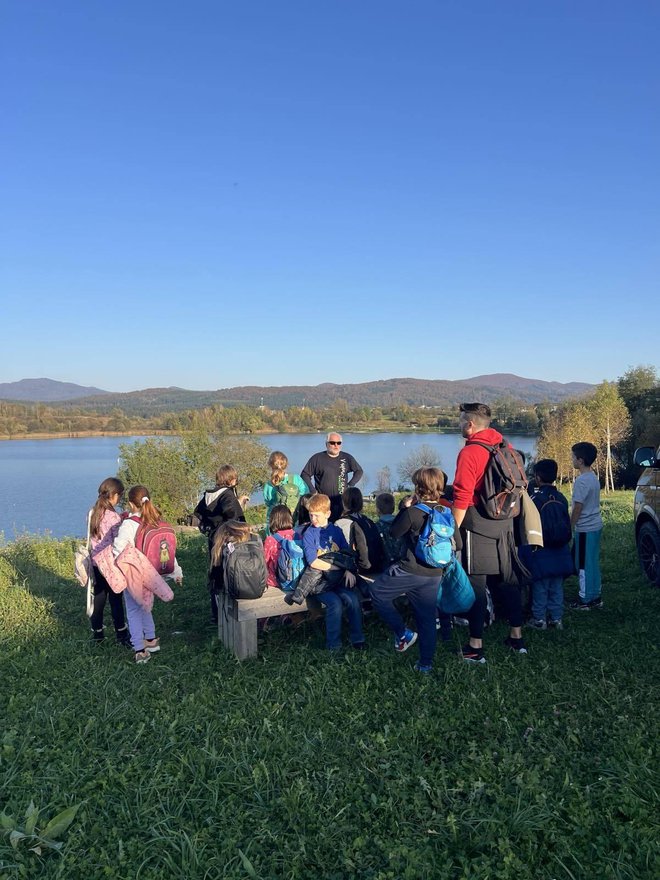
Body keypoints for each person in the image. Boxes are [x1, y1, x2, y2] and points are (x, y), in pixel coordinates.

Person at [452, 403, 529, 663]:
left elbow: (462, 496)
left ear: (470, 424)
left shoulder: (471, 452)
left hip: (478, 524)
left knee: (476, 585)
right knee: (508, 581)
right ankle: (516, 638)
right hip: (506, 522)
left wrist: (454, 533)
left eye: (461, 420)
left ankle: (475, 646)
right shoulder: (503, 445)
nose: (459, 424)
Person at [370, 467, 451, 674]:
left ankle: (403, 633)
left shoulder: (413, 512)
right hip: (433, 574)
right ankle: (425, 665)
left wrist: (406, 508)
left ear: (419, 488)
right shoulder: (445, 512)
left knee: (377, 592)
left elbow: (394, 532)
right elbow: (456, 541)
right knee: (426, 620)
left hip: (409, 570)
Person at [286, 493, 365, 651]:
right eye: (311, 515)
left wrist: (348, 570)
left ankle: (358, 639)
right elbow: (313, 562)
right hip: (319, 583)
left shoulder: (336, 531)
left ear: (327, 514)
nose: (313, 519)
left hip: (337, 580)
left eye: (317, 515)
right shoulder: (309, 534)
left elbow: (346, 552)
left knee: (353, 600)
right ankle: (333, 645)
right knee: (334, 604)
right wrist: (335, 568)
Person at [113, 485, 182, 663]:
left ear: (130, 504)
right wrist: (176, 571)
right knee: (145, 605)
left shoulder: (129, 524)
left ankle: (140, 649)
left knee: (134, 609)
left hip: (137, 573)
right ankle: (151, 639)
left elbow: (118, 548)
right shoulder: (154, 520)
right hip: (153, 573)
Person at [194, 465, 248, 623]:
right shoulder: (228, 496)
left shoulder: (208, 496)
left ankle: (215, 613)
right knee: (230, 571)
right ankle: (230, 613)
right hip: (227, 540)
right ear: (231, 480)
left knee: (215, 572)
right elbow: (236, 518)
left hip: (213, 539)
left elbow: (198, 515)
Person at [523, 459, 574, 629]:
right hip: (560, 549)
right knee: (557, 586)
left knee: (540, 586)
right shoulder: (561, 498)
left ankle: (539, 619)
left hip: (541, 550)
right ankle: (556, 618)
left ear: (537, 477)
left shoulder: (535, 499)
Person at [88, 477, 130, 646]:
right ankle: (121, 634)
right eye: (119, 495)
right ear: (114, 495)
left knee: (98, 598)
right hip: (111, 564)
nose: (119, 499)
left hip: (96, 563)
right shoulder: (114, 518)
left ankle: (97, 633)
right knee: (116, 600)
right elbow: (117, 542)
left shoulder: (93, 513)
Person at [569, 442, 603, 610]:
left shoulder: (581, 481)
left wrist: (570, 526)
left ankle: (585, 599)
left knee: (582, 565)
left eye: (573, 457)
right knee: (592, 562)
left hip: (585, 528)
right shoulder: (593, 477)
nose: (572, 460)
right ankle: (595, 595)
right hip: (595, 526)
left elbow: (578, 507)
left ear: (580, 460)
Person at [301, 433, 364, 521]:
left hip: (342, 501)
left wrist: (350, 485)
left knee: (340, 526)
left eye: (339, 443)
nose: (336, 445)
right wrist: (312, 490)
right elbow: (305, 474)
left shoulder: (346, 458)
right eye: (332, 443)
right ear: (326, 444)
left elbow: (359, 471)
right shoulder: (317, 458)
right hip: (323, 501)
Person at [263, 452, 307, 524]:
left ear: (270, 465)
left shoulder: (269, 484)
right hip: (295, 518)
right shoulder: (296, 479)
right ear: (286, 465)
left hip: (276, 520)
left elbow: (268, 502)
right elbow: (305, 495)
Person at [263, 504, 297, 589]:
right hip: (298, 579)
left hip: (277, 581)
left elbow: (264, 562)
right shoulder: (297, 536)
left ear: (272, 521)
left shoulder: (270, 540)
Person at [374, 492, 407, 565]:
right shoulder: (403, 523)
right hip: (403, 564)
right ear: (393, 508)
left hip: (384, 566)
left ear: (378, 510)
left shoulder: (375, 527)